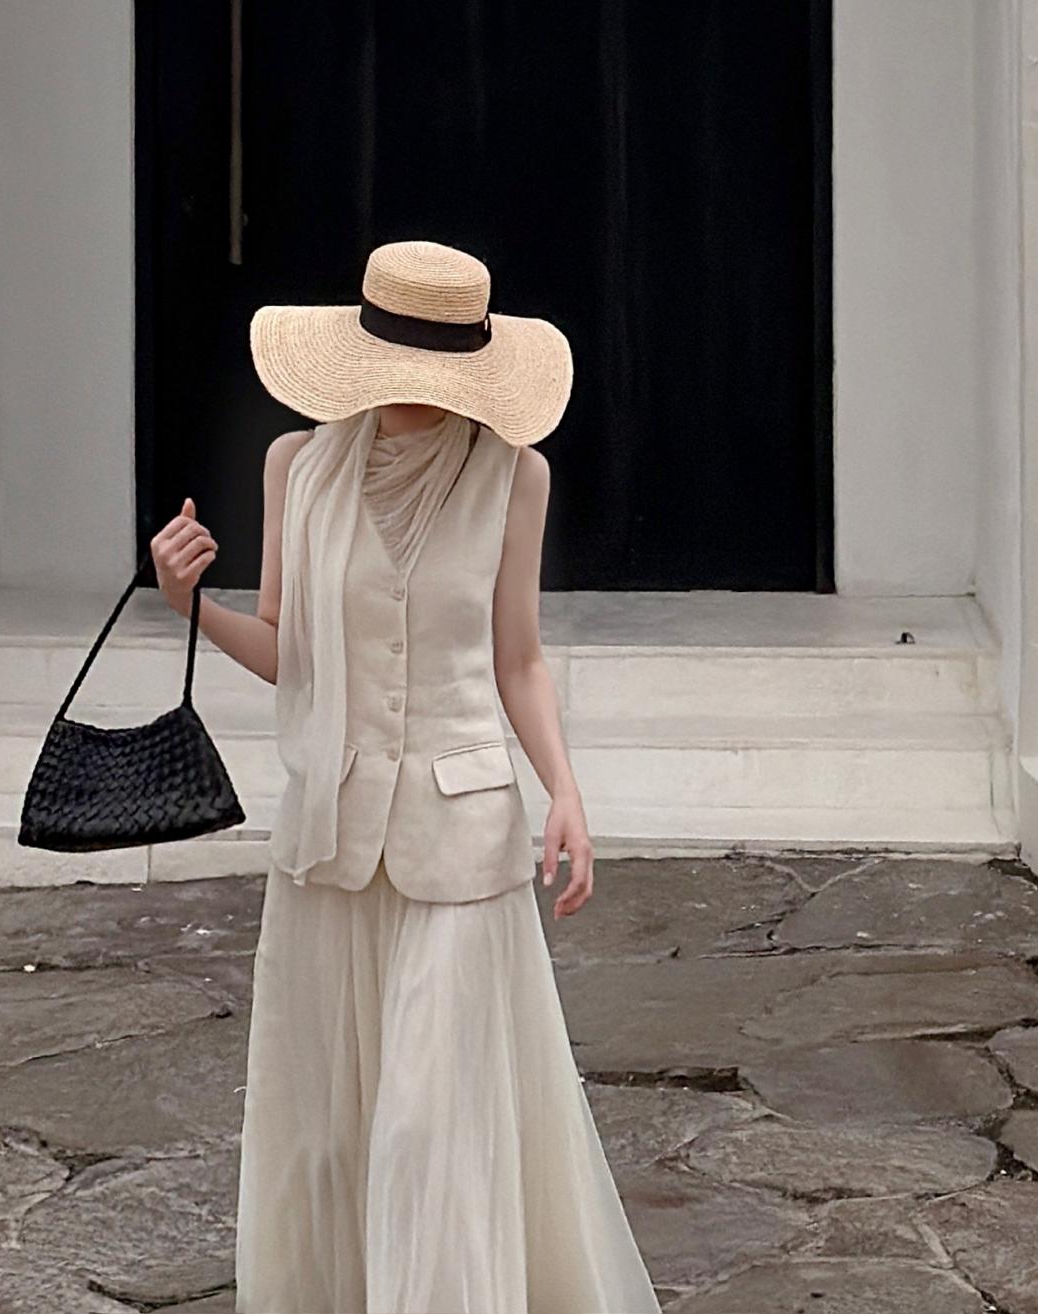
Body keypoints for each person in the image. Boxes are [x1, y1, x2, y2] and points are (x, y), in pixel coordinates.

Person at [147, 239, 659, 1313]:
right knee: (329, 1131)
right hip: (329, 843)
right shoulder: (299, 465)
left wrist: (565, 791)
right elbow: (288, 650)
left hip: (459, 838)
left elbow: (517, 657)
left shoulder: (515, 473)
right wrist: (190, 603)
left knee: (432, 1126)